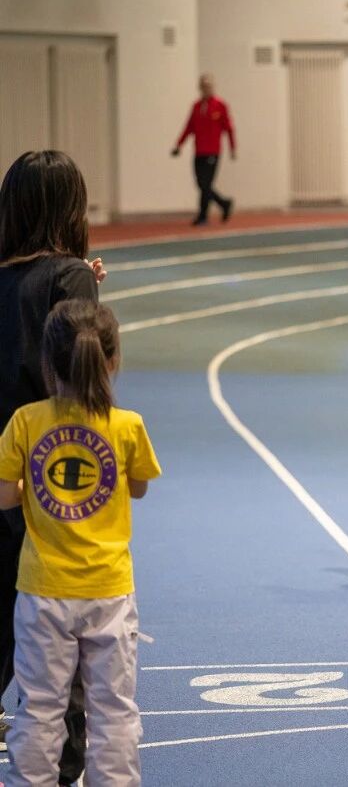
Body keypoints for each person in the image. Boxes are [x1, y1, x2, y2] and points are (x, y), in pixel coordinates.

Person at [0, 298, 161, 786]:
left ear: (47, 363)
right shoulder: (128, 425)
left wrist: (35, 488)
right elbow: (138, 487)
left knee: (40, 707)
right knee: (113, 709)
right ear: (111, 360)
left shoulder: (26, 421)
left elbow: (5, 496)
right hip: (107, 591)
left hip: (43, 590)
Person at [0, 150, 108, 786]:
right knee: (58, 617)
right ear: (72, 208)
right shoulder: (70, 276)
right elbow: (77, 371)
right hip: (45, 466)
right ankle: (65, 765)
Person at [171, 73, 236, 226]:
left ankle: (203, 215)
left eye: (209, 86)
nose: (206, 89)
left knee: (205, 184)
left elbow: (229, 128)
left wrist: (233, 148)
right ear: (200, 88)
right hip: (199, 151)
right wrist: (179, 145)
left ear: (213, 87)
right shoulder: (196, 107)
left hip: (213, 151)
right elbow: (189, 127)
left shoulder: (220, 106)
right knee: (201, 184)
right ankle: (224, 203)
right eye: (204, 86)